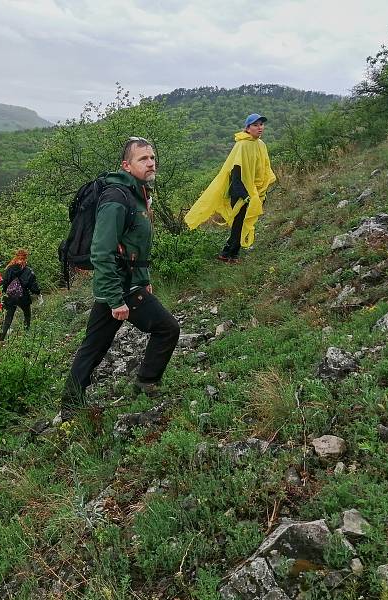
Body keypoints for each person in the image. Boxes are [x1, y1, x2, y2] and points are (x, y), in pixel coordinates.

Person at [62, 137, 180, 414]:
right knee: (167, 329)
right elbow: (102, 252)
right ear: (126, 165)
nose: (151, 163)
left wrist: (146, 278)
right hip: (120, 285)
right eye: (143, 159)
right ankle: (146, 384)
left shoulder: (139, 193)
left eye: (152, 157)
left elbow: (137, 245)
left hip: (126, 281)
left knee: (94, 346)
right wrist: (115, 299)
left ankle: (70, 403)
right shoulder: (117, 198)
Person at [184, 113, 276, 262]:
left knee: (243, 222)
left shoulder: (261, 145)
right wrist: (244, 195)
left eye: (261, 124)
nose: (260, 128)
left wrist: (260, 190)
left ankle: (231, 253)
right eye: (255, 125)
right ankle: (228, 254)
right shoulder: (242, 145)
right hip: (240, 192)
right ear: (247, 128)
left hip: (254, 191)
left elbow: (263, 168)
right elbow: (236, 174)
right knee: (239, 223)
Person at [0, 249, 42, 341]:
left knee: (8, 318)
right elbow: (33, 286)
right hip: (23, 296)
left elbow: (4, 282)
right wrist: (38, 293)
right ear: (26, 258)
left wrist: (2, 294)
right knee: (27, 315)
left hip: (10, 296)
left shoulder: (9, 268)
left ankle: (1, 339)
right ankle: (26, 335)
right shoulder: (28, 270)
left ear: (16, 256)